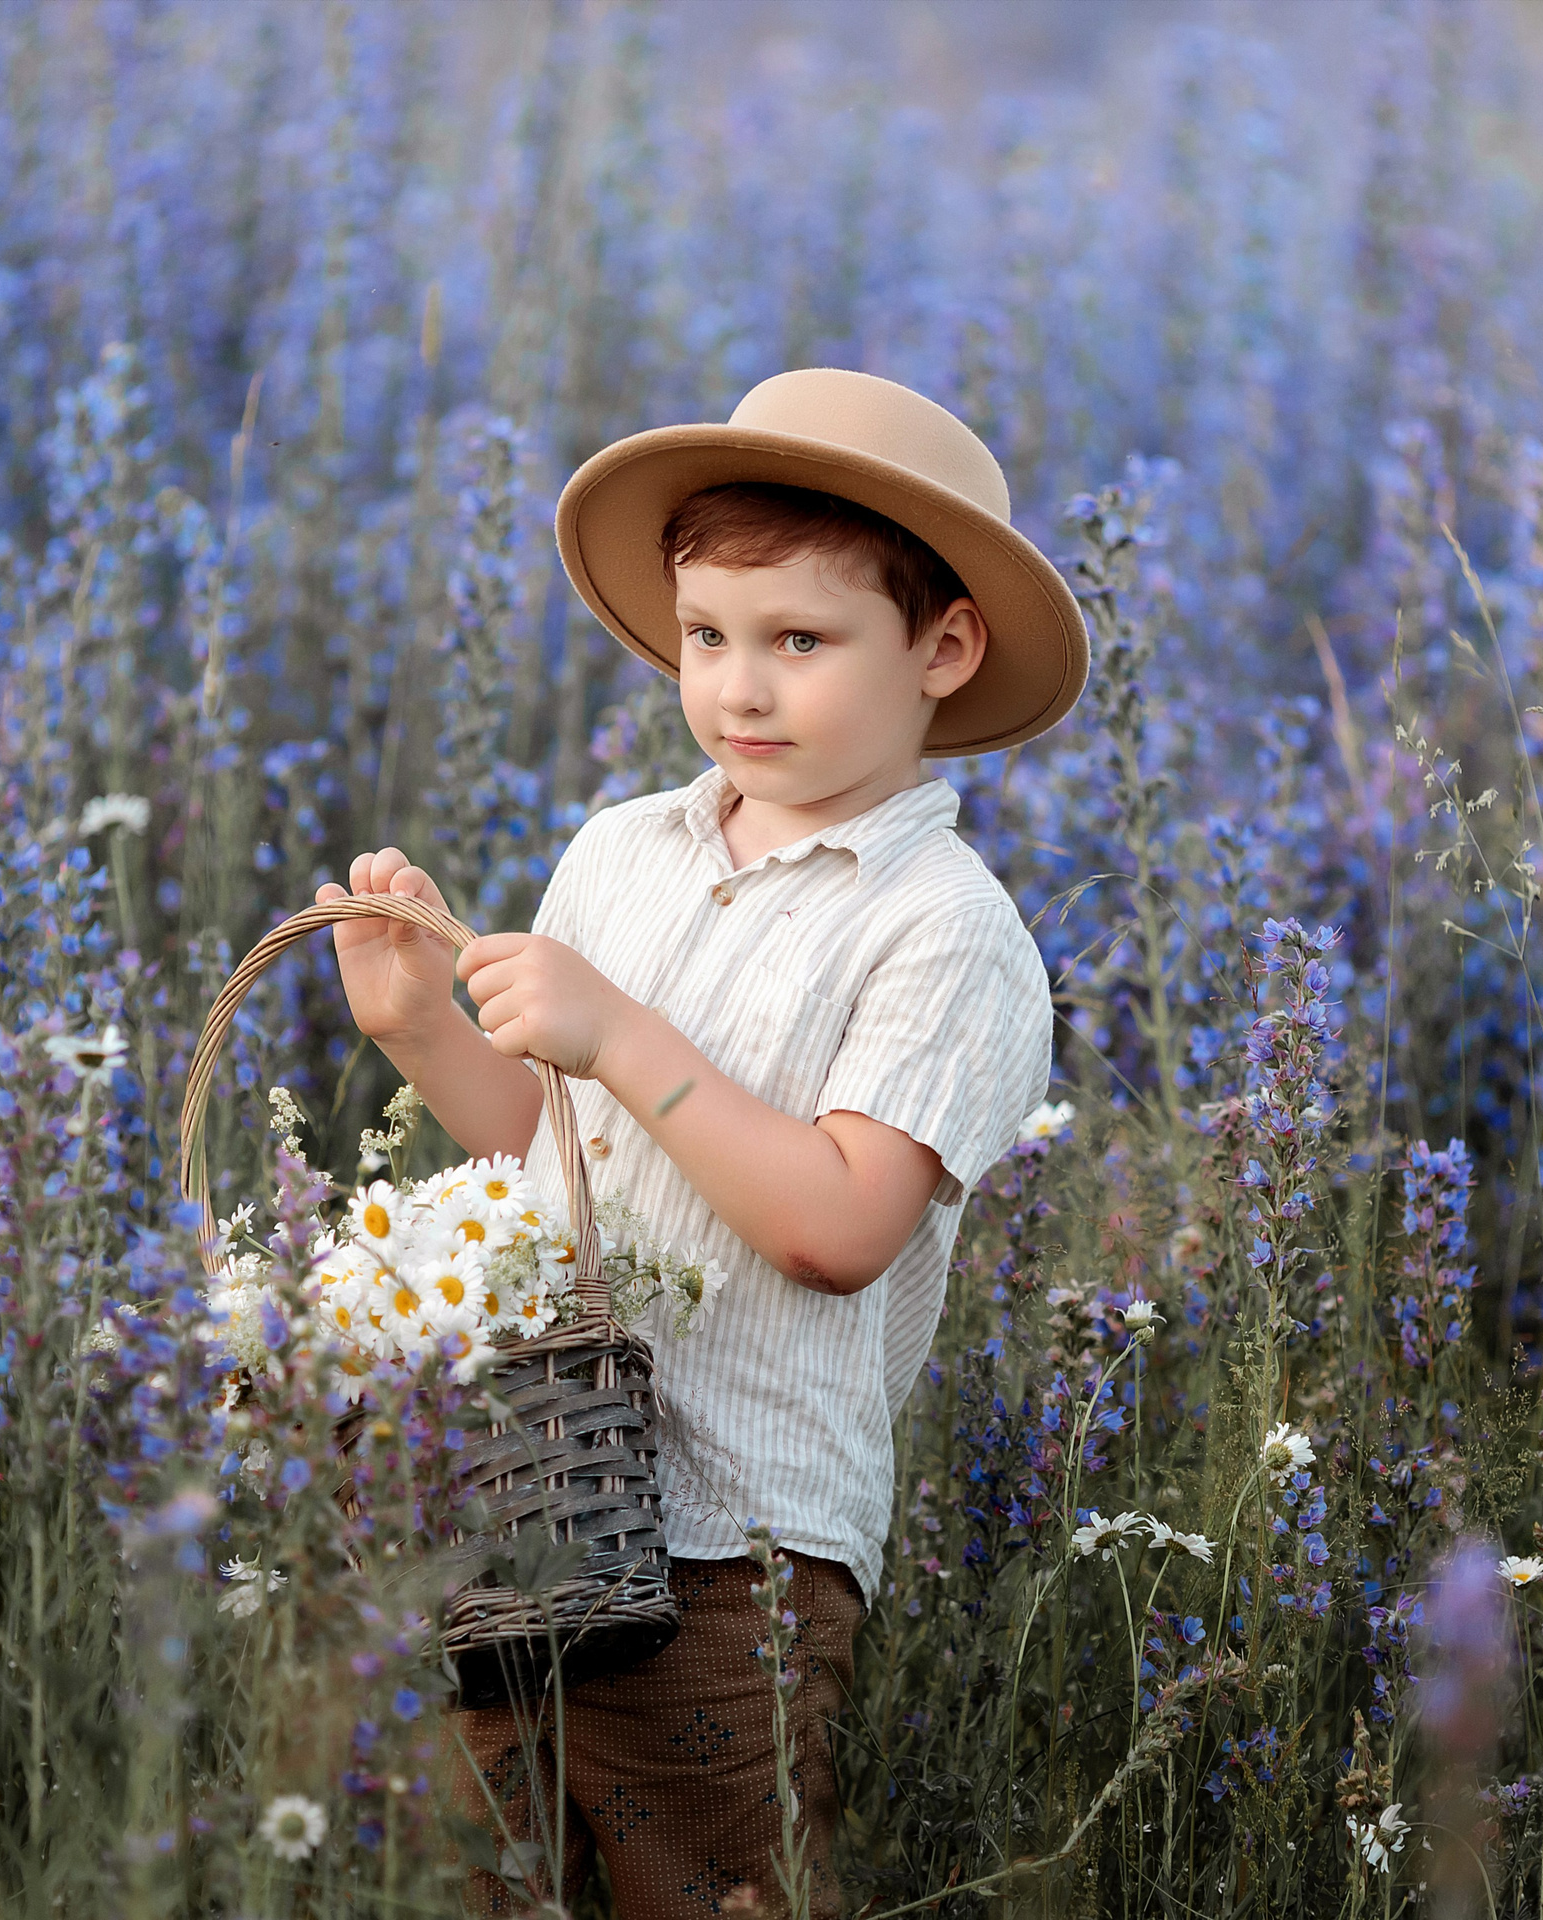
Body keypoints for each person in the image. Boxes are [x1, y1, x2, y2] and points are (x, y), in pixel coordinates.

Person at [316, 368, 1089, 1918]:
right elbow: (558, 1153)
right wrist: (422, 1030)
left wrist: (626, 1037)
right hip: (529, 1499)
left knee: (708, 1887)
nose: (741, 689)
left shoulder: (946, 931)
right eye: (708, 639)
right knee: (484, 1878)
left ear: (942, 648)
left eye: (802, 642)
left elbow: (844, 1225)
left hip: (743, 1559)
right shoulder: (624, 852)